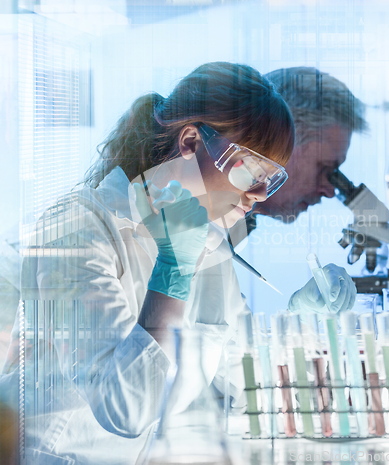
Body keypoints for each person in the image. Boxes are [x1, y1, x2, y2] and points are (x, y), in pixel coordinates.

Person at [1, 62, 295, 465]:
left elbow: (247, 377)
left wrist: (302, 328)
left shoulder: (210, 243)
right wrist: (173, 274)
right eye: (250, 168)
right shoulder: (76, 229)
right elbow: (127, 409)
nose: (260, 193)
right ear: (191, 141)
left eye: (272, 175)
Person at [231, 67, 367, 314]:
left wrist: (299, 314)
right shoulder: (194, 217)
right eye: (325, 168)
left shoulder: (238, 223)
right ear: (281, 142)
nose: (328, 191)